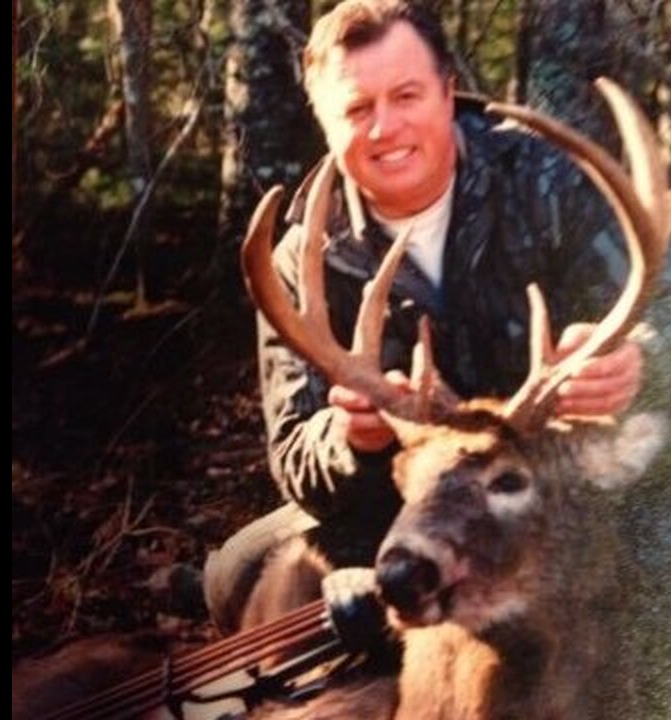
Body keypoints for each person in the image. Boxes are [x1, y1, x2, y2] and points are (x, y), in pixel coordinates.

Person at [203, 0, 644, 635]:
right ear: (324, 120)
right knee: (240, 576)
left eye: (406, 95)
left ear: (449, 91)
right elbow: (296, 454)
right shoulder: (302, 259)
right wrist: (351, 438)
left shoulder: (546, 177)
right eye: (356, 109)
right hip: (406, 502)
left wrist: (635, 359)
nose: (384, 127)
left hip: (546, 480)